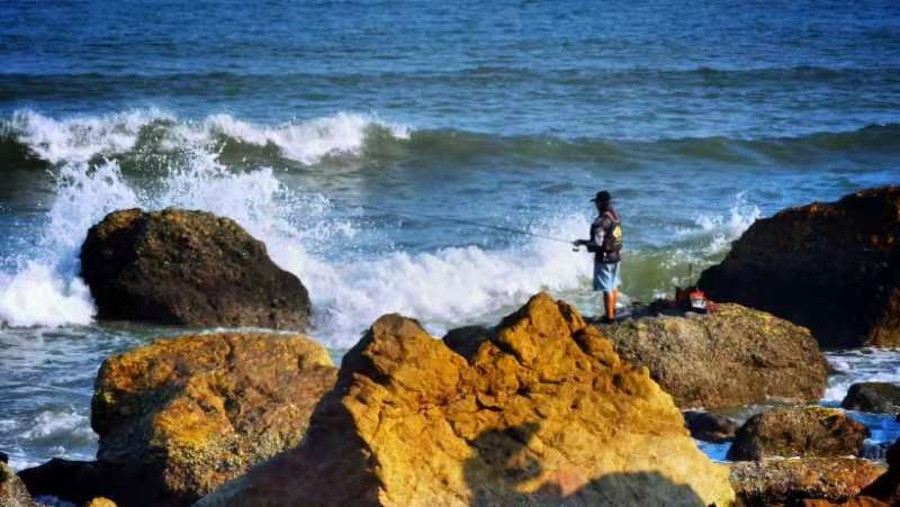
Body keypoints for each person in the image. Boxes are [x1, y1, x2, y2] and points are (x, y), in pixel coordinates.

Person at [573, 190, 622, 323]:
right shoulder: (615, 216)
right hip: (616, 256)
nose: (595, 206)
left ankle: (609, 319)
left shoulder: (600, 221)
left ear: (600, 204)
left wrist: (582, 242)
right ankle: (613, 311)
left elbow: (597, 243)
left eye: (596, 203)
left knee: (607, 289)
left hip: (605, 259)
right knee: (614, 285)